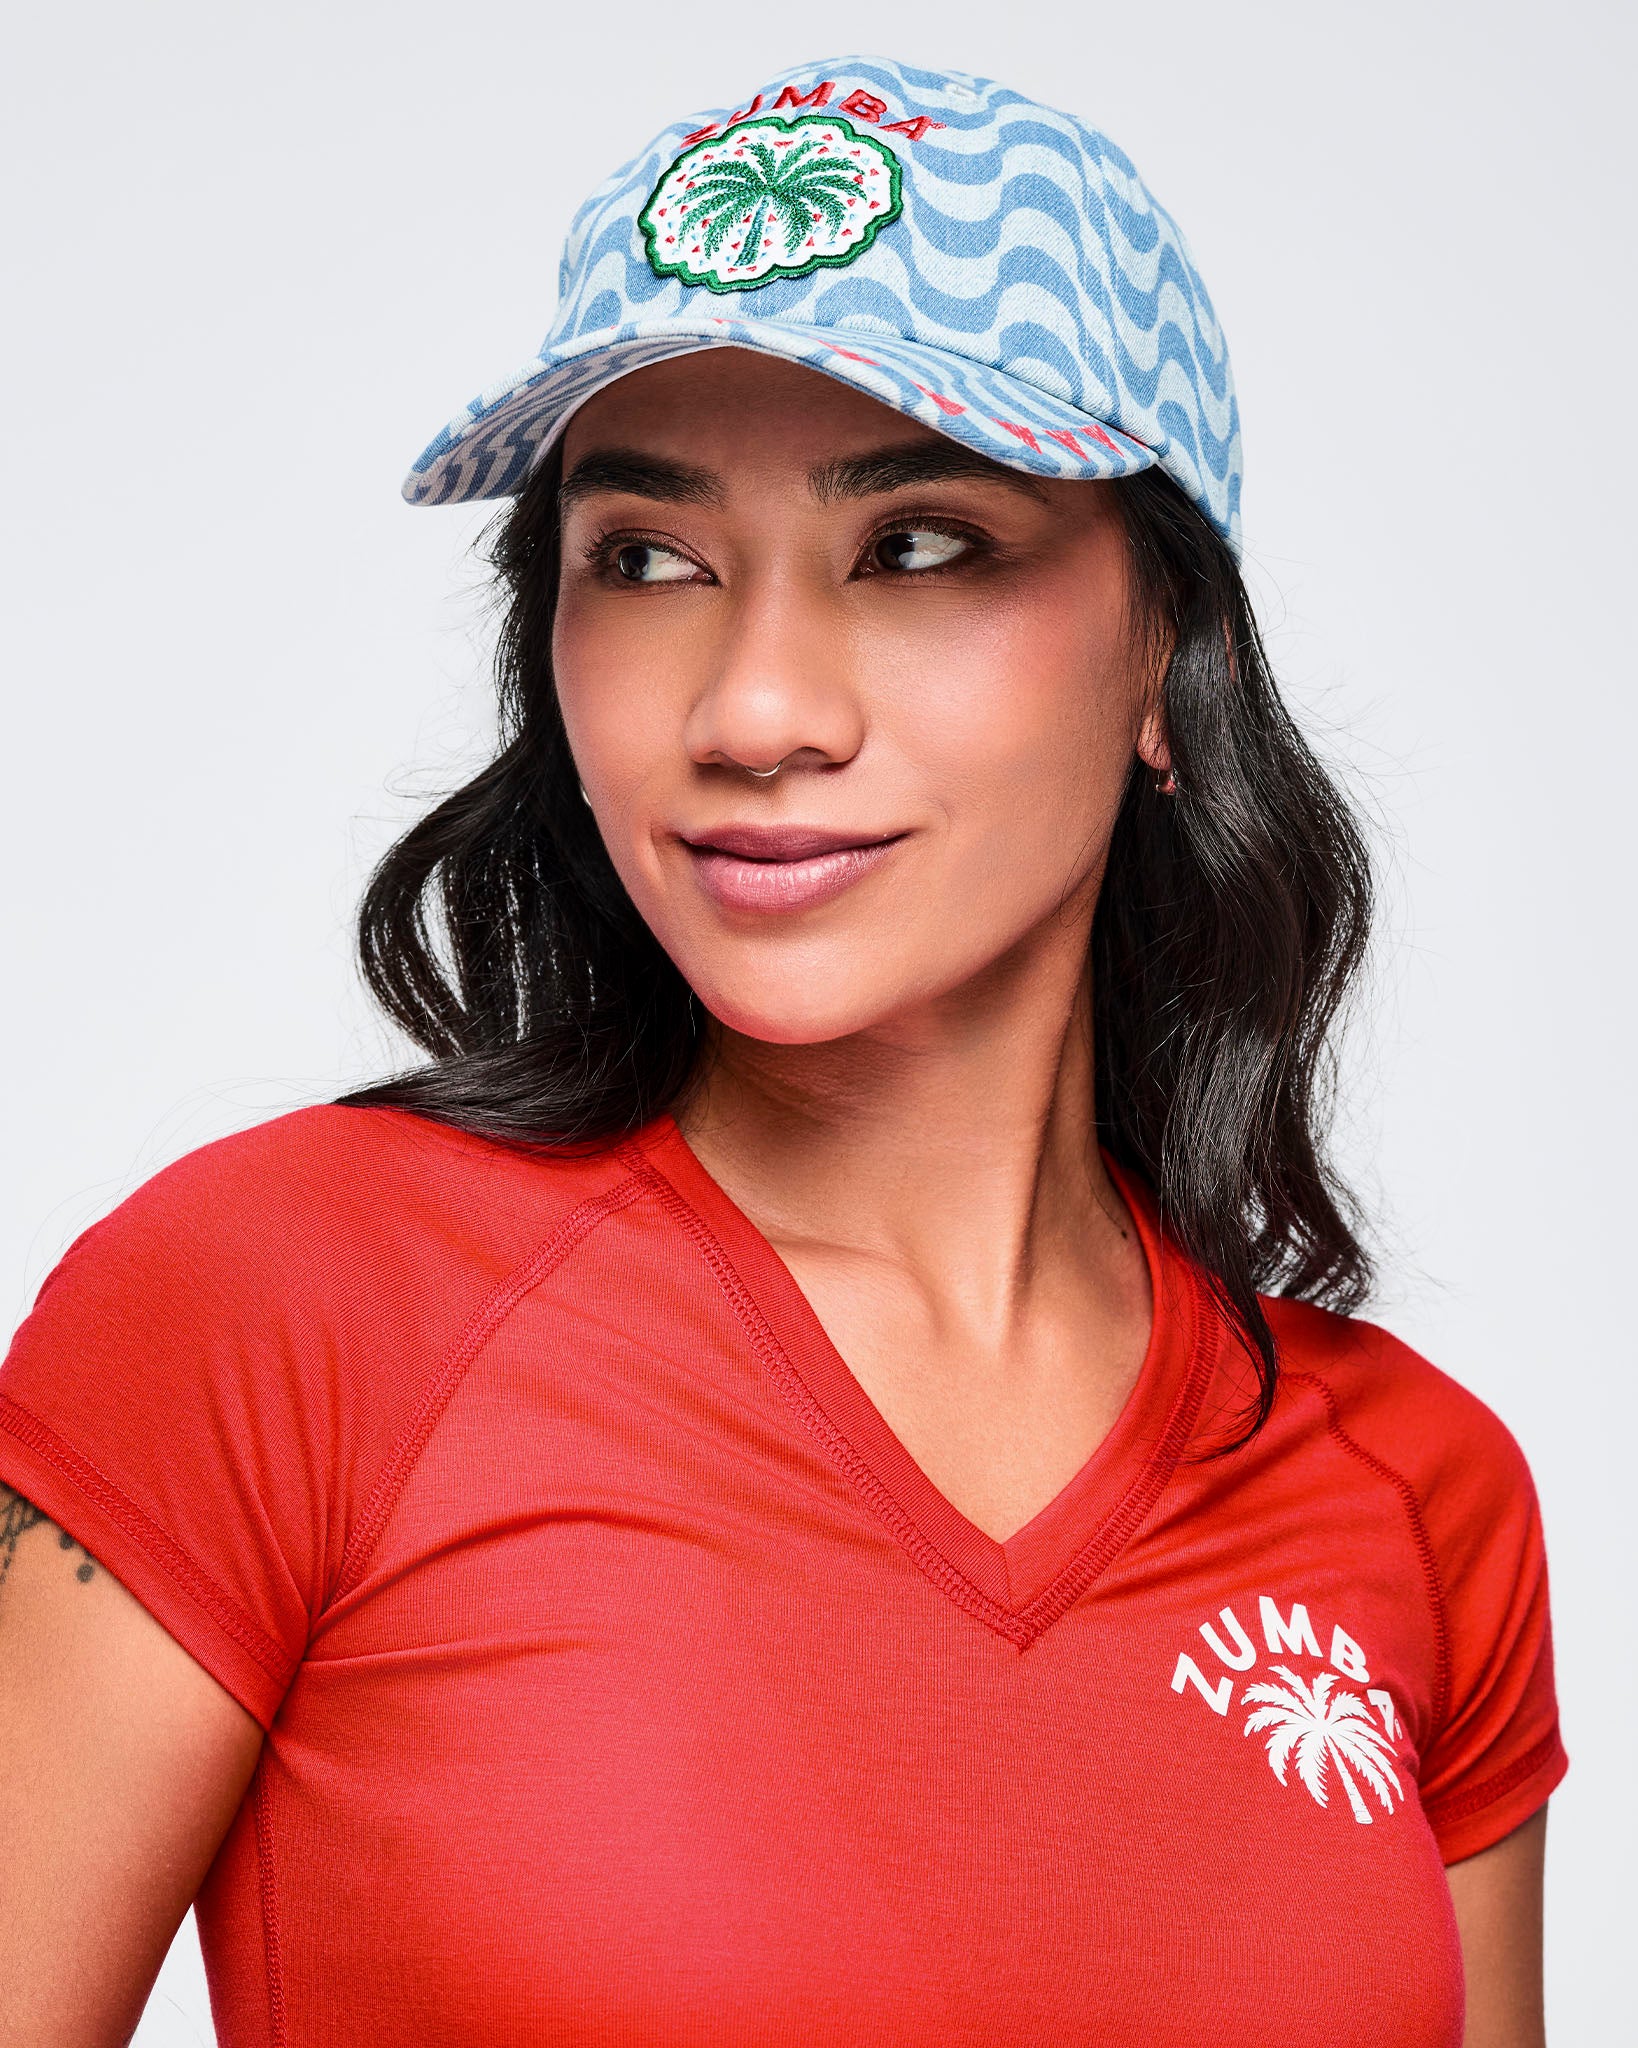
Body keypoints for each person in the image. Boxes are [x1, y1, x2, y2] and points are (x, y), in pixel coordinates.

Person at [0, 53, 1564, 2048]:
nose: (749, 708)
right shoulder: (274, 1313)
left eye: (917, 544)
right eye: (646, 559)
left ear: (1171, 652)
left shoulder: (1414, 1496)